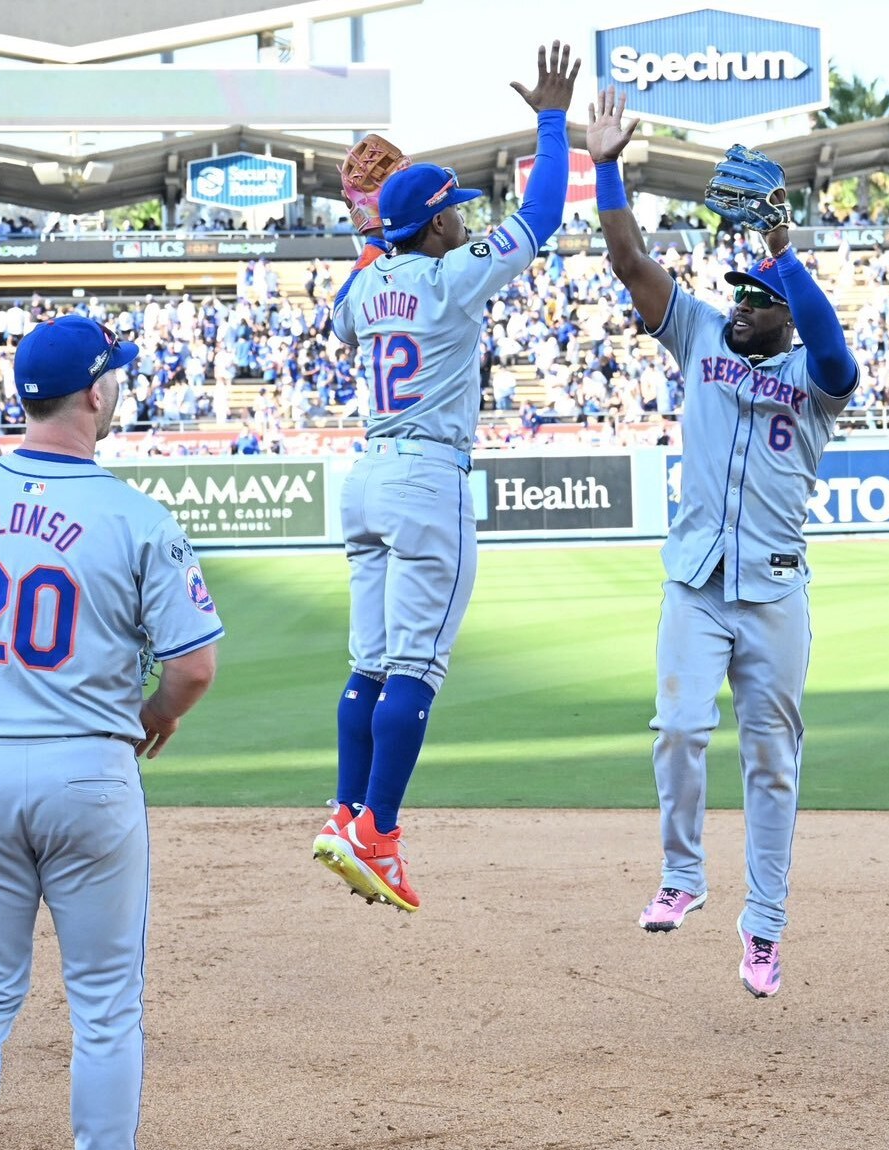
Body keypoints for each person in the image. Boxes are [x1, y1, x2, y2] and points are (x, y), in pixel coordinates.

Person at [0, 313, 223, 1150]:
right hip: (89, 771)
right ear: (97, 393)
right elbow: (194, 666)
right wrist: (155, 716)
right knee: (105, 1004)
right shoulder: (137, 517)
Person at [588, 86, 859, 998]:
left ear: (785, 311)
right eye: (738, 293)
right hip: (696, 581)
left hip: (776, 592)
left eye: (759, 299)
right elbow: (629, 262)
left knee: (773, 764)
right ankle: (683, 873)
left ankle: (766, 928)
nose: (741, 306)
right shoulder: (699, 330)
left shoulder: (816, 380)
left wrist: (784, 254)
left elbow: (837, 351)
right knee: (675, 728)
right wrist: (609, 163)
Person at [308, 42, 577, 914]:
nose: (465, 218)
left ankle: (346, 812)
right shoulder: (454, 277)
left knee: (370, 664)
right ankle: (378, 837)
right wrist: (550, 117)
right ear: (431, 227)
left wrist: (371, 227)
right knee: (416, 667)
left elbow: (343, 318)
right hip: (427, 477)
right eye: (454, 210)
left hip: (367, 476)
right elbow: (541, 210)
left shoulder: (361, 287)